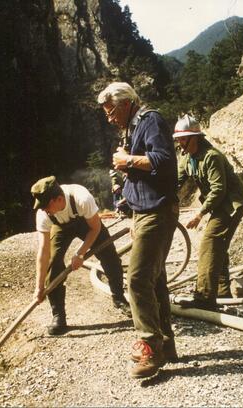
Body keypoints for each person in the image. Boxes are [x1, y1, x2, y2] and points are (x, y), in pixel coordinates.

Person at [98, 82, 179, 379]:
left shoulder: (150, 120)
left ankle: (149, 347)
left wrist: (127, 160)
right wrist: (133, 215)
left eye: (110, 110)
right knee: (155, 277)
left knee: (137, 279)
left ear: (125, 103)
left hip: (156, 210)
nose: (108, 117)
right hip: (146, 211)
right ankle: (166, 344)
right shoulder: (133, 127)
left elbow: (165, 161)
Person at [30, 176, 131, 336]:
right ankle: (58, 316)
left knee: (109, 256)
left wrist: (80, 253)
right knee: (52, 262)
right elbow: (43, 251)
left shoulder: (81, 197)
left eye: (46, 206)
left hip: (87, 224)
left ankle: (119, 298)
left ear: (59, 199)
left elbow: (95, 228)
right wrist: (39, 287)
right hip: (60, 227)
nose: (44, 210)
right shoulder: (44, 213)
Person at [173, 114, 243, 311]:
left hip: (232, 203)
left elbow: (219, 189)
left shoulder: (211, 156)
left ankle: (204, 298)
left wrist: (200, 213)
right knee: (218, 245)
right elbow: (177, 183)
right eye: (178, 139)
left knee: (210, 242)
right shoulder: (187, 158)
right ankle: (222, 292)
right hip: (220, 203)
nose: (180, 143)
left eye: (183, 138)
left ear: (195, 137)